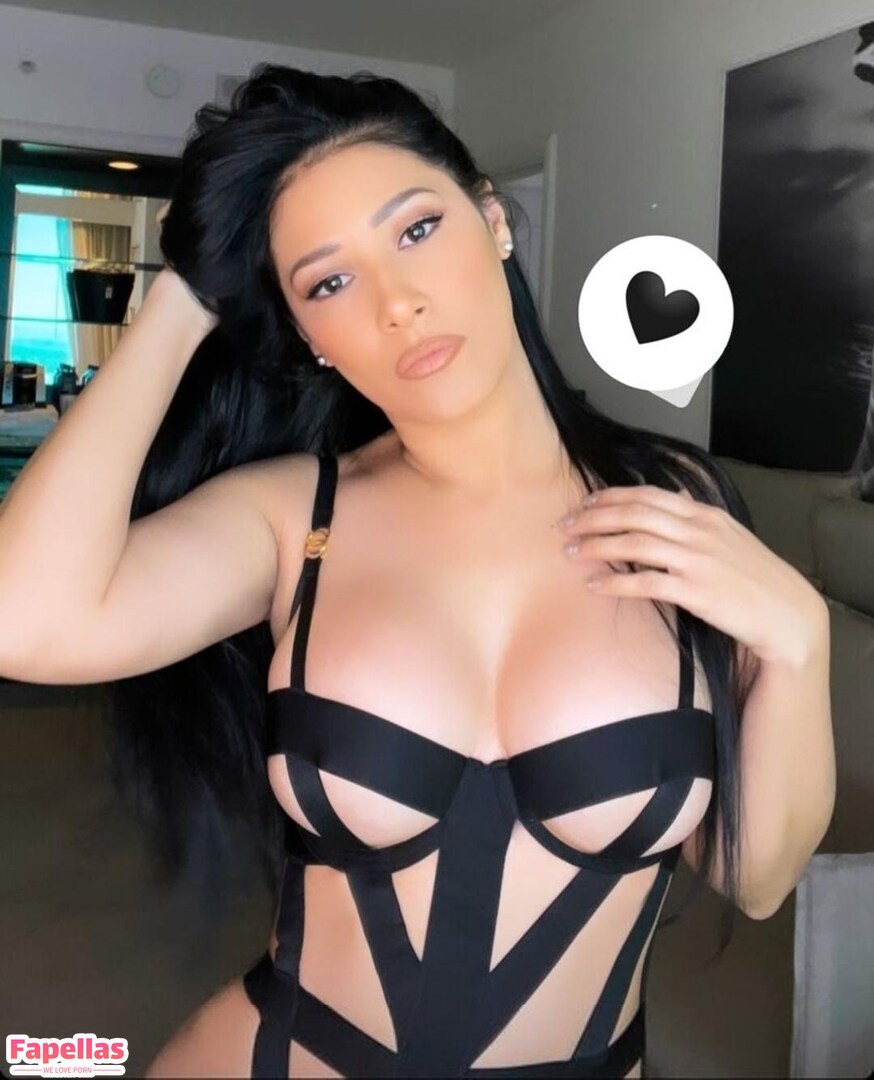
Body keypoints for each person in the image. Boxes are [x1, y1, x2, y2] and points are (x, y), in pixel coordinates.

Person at [0, 64, 768, 1078]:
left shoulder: (671, 502)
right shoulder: (293, 516)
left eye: (416, 230)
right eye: (328, 282)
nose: (397, 303)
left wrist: (795, 639)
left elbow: (758, 876)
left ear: (492, 221)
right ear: (306, 335)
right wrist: (186, 294)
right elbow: (25, 622)